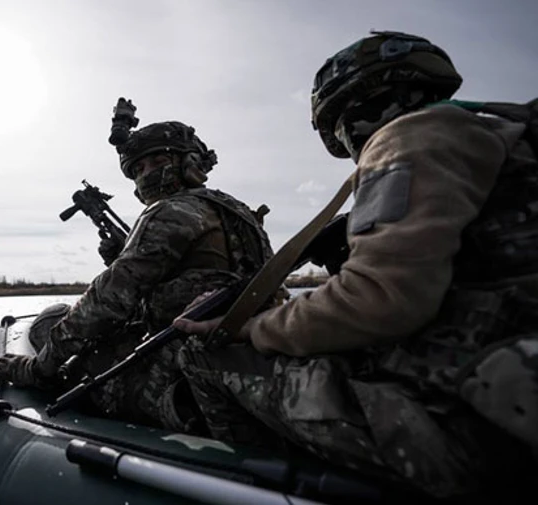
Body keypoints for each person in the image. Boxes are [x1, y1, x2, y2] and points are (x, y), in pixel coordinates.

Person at [173, 31, 538, 500]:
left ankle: (250, 486)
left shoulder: (414, 133)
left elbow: (378, 300)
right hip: (506, 382)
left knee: (205, 355)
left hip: (478, 432)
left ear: (349, 115)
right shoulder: (504, 132)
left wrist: (249, 327)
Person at [0, 109, 276, 432]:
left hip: (185, 366)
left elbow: (104, 302)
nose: (146, 175)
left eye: (157, 162)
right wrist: (120, 259)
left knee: (50, 325)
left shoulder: (172, 211)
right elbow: (192, 281)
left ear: (190, 163)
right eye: (138, 168)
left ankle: (170, 415)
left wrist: (37, 370)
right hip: (238, 352)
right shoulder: (238, 213)